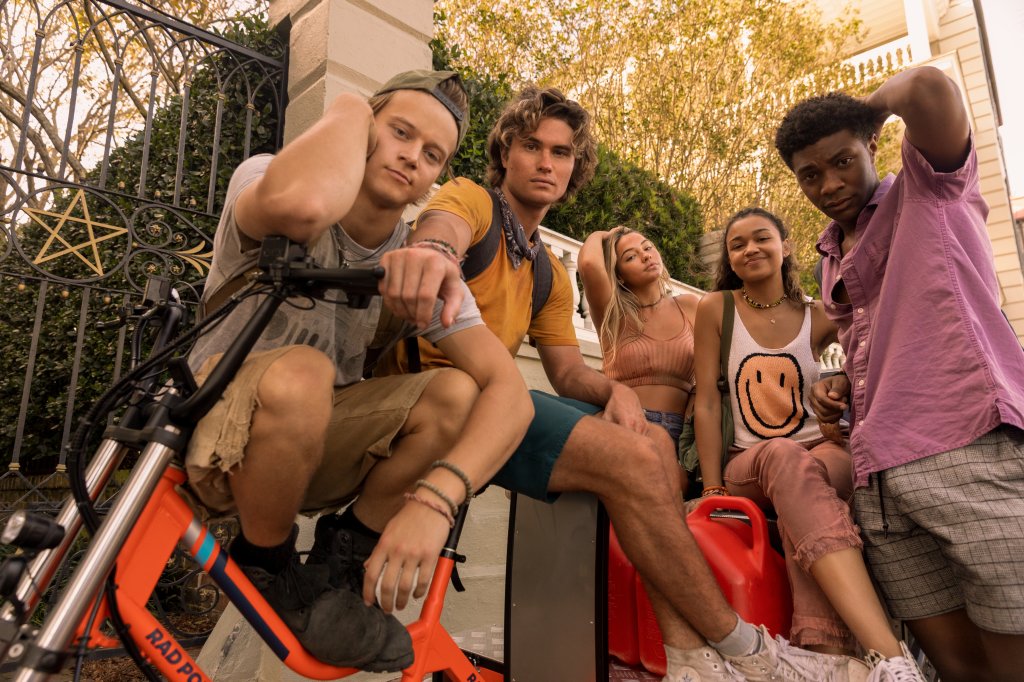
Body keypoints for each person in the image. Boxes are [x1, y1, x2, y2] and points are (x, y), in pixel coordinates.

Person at [378, 85, 873, 682]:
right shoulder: (475, 203)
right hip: (436, 402)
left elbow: (566, 372)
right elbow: (441, 226)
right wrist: (432, 249)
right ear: (504, 151)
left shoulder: (543, 274)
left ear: (574, 169)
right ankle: (744, 651)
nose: (545, 162)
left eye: (561, 153)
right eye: (532, 146)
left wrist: (615, 392)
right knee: (637, 458)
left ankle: (688, 656)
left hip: (496, 414)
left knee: (653, 452)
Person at [185, 70, 532, 672]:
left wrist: (436, 499)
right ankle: (266, 567)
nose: (411, 156)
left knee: (456, 391)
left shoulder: (415, 260)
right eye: (398, 131)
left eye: (432, 155)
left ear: (432, 183)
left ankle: (338, 565)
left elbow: (512, 396)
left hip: (305, 453)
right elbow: (303, 206)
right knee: (305, 372)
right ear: (363, 130)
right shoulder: (271, 174)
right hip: (216, 436)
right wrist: (348, 105)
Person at [775, 64, 1024, 682]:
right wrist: (841, 389)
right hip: (880, 479)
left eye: (842, 160)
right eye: (810, 174)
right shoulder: (831, 256)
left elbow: (927, 89)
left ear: (874, 146)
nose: (829, 183)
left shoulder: (928, 188)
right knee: (955, 667)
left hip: (965, 450)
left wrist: (865, 108)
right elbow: (882, 346)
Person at [693, 206, 925, 681]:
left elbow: (863, 363)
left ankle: (828, 657)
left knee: (808, 471)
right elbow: (706, 403)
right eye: (738, 245)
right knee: (784, 456)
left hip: (822, 448)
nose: (750, 249)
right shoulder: (717, 310)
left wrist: (836, 382)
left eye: (762, 238)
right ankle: (890, 655)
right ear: (730, 260)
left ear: (786, 247)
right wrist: (713, 486)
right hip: (750, 461)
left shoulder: (818, 317)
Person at [579, 227, 697, 450]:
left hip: (685, 433)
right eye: (631, 256)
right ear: (619, 275)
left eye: (648, 247)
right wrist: (606, 235)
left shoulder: (690, 306)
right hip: (629, 425)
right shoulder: (613, 314)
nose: (645, 256)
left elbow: (715, 369)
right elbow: (589, 265)